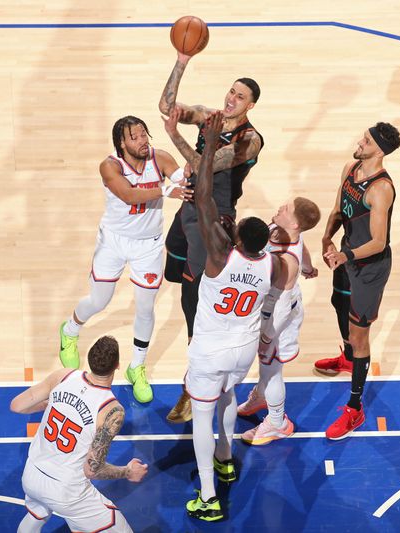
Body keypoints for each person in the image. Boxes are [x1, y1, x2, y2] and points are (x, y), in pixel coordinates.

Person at [175, 110, 285, 521]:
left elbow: (203, 198)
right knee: (227, 397)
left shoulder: (220, 257)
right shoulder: (270, 264)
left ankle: (208, 496)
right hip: (243, 354)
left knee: (201, 419)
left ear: (237, 237)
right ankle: (225, 457)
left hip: (211, 349)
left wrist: (206, 151)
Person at [158, 50, 265, 423]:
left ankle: (196, 387)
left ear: (250, 105)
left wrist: (174, 137)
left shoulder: (250, 140)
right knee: (175, 272)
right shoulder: (209, 117)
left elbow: (206, 166)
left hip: (214, 217)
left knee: (195, 306)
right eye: (230, 91)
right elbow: (166, 105)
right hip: (190, 208)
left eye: (239, 96)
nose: (231, 98)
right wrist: (182, 59)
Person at [58, 116, 191, 404]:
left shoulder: (161, 158)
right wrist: (166, 189)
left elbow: (185, 179)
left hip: (149, 245)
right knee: (99, 300)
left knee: (145, 309)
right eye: (135, 137)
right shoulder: (110, 166)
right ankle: (69, 331)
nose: (143, 140)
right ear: (122, 142)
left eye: (144, 134)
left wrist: (191, 169)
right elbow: (129, 195)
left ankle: (137, 367)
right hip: (114, 242)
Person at [316, 122, 400, 440]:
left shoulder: (381, 189)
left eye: (366, 141)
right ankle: (348, 358)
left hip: (369, 267)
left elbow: (379, 241)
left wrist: (345, 257)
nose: (359, 142)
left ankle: (355, 409)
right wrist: (327, 238)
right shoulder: (350, 168)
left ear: (379, 149)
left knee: (359, 332)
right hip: (347, 254)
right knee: (338, 302)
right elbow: (340, 209)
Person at [11, 335, 148, 532]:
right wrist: (127, 472)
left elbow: (17, 406)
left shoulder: (64, 376)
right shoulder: (111, 410)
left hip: (32, 474)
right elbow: (92, 470)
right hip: (66, 490)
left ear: (90, 359)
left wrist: (52, 405)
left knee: (37, 513)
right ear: (117, 365)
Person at [236, 198, 321, 445]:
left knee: (271, 369)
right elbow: (303, 246)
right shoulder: (280, 230)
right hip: (268, 311)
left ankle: (277, 422)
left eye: (286, 209)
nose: (280, 208)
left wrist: (267, 337)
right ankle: (262, 397)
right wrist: (308, 267)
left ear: (294, 222)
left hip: (277, 320)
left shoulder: (286, 262)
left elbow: (282, 309)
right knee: (266, 366)